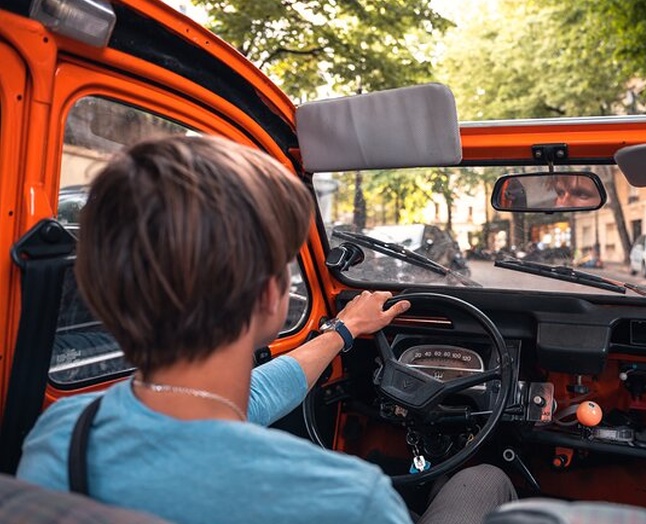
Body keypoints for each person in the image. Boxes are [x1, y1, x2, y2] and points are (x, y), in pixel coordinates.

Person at [17, 135, 515, 523]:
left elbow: (247, 397)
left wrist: (343, 331)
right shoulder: (346, 498)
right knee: (485, 479)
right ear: (268, 297)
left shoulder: (63, 434)